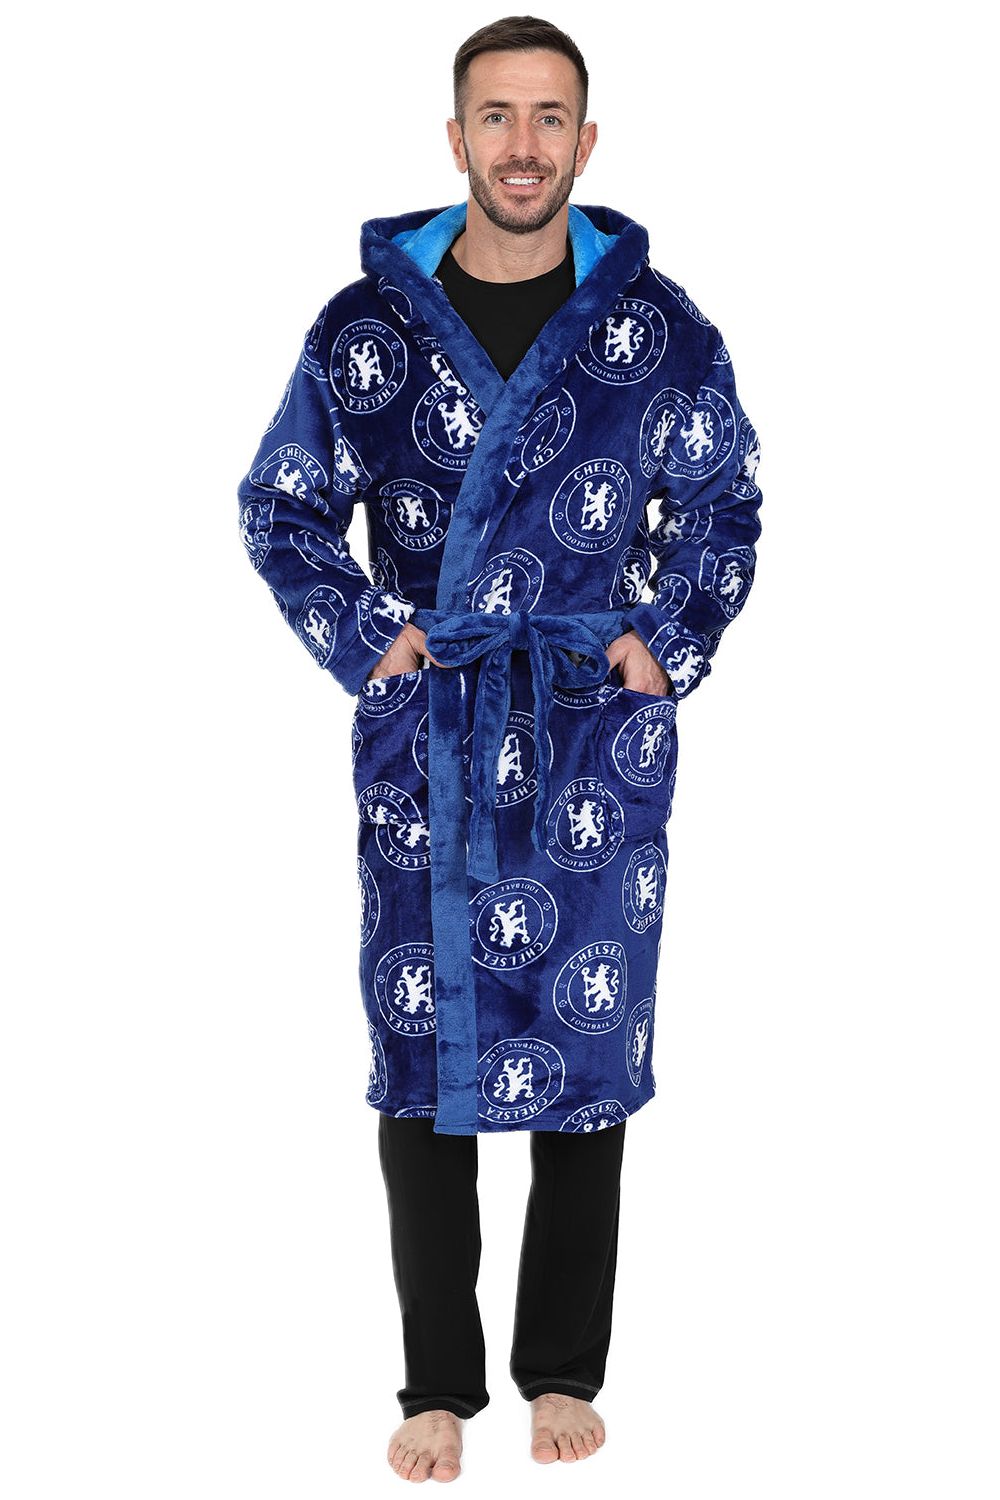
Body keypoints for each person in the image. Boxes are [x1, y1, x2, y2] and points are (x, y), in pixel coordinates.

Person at [236, 15, 763, 1482]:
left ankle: (561, 1369)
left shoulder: (662, 329)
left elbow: (724, 506)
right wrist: (373, 639)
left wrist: (666, 642)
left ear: (585, 144)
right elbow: (283, 505)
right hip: (437, 735)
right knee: (423, 1050)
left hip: (594, 736)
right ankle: (435, 1383)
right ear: (455, 137)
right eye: (496, 116)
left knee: (590, 1050)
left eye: (548, 120)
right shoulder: (365, 329)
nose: (522, 146)